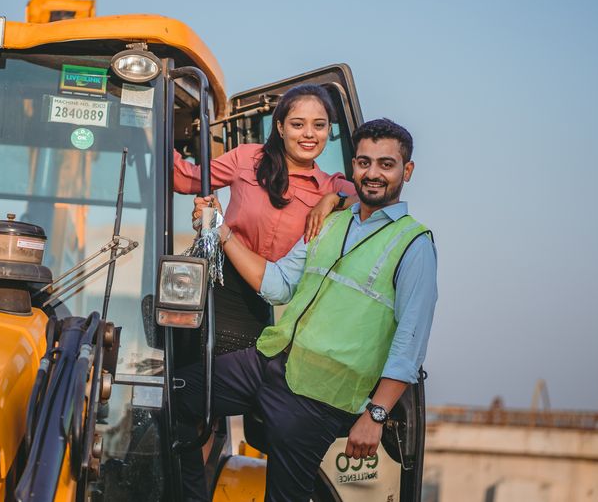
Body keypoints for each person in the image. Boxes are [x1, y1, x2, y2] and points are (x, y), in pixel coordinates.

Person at [178, 118, 437, 502]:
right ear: (353, 168)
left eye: (386, 164)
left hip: (320, 397)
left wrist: (376, 415)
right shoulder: (329, 222)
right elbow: (279, 283)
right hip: (269, 361)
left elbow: (410, 344)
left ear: (407, 171)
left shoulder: (414, 245)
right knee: (173, 397)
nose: (373, 173)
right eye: (364, 162)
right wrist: (222, 232)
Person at [173, 84, 354, 354]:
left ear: (329, 130)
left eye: (319, 125)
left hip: (266, 299)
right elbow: (187, 178)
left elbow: (378, 200)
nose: (309, 134)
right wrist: (149, 125)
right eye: (297, 124)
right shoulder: (247, 158)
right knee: (190, 374)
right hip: (218, 284)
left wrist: (333, 200)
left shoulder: (330, 186)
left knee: (235, 381)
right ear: (280, 127)